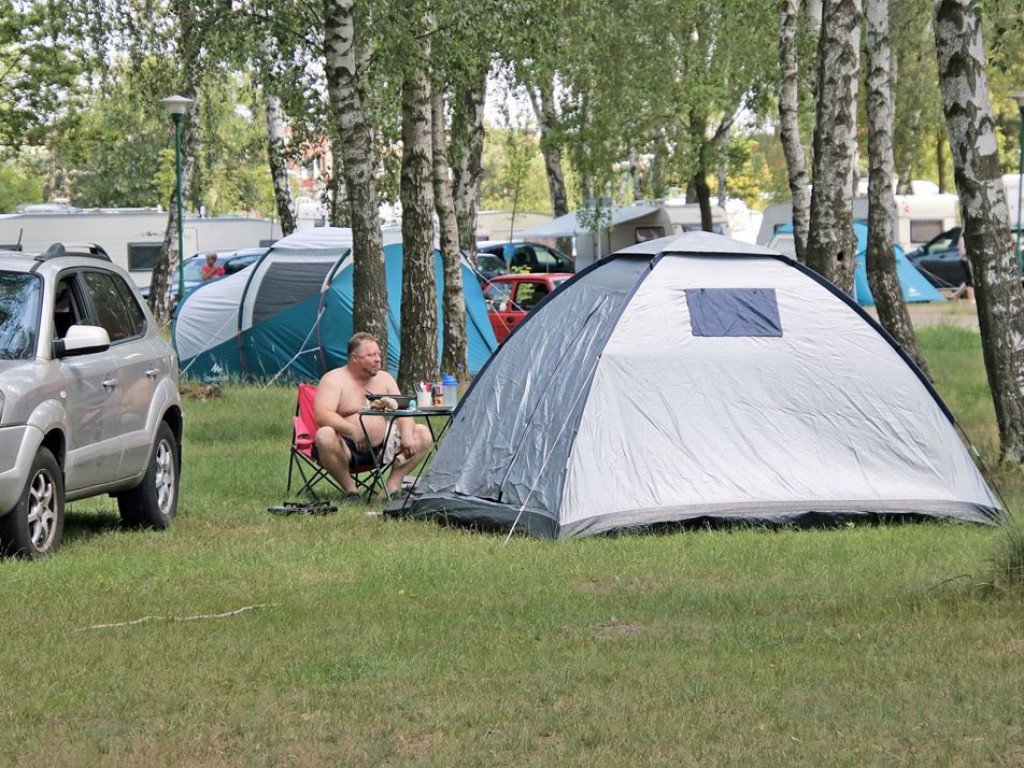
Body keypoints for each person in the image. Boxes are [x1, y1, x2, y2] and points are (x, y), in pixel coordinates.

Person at [312, 332, 431, 501]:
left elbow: (403, 409)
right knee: (324, 435)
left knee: (423, 433)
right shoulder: (334, 380)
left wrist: (406, 434)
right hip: (346, 447)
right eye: (371, 355)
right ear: (354, 358)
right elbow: (322, 415)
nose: (377, 359)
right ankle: (351, 491)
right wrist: (352, 430)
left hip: (382, 447)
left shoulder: (385, 378)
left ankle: (390, 488)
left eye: (378, 354)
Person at [951, 229, 975, 303]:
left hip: (970, 260)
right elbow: (962, 252)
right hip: (965, 261)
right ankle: (971, 299)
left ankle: (956, 295)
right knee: (970, 281)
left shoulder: (971, 237)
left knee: (969, 281)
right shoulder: (962, 238)